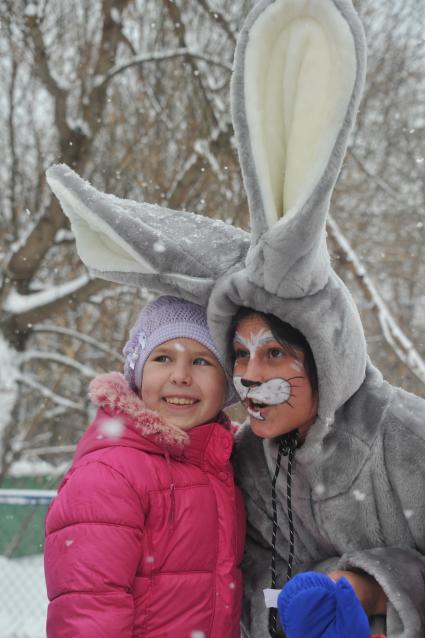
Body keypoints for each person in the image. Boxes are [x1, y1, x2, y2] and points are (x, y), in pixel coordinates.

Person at [44, 296, 245, 638]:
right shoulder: (110, 474)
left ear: (226, 385)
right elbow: (89, 612)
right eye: (163, 358)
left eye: (201, 361)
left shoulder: (227, 467)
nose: (180, 376)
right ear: (138, 374)